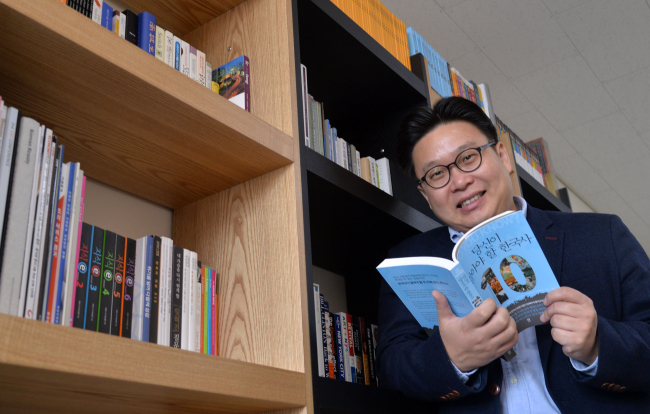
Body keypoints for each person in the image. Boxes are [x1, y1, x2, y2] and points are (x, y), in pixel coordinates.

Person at [376, 97, 650, 413]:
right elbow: (393, 367)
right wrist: (452, 358)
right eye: (437, 174)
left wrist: (599, 343)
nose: (460, 181)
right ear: (425, 194)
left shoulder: (603, 235)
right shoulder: (407, 260)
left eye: (468, 157)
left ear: (503, 156)